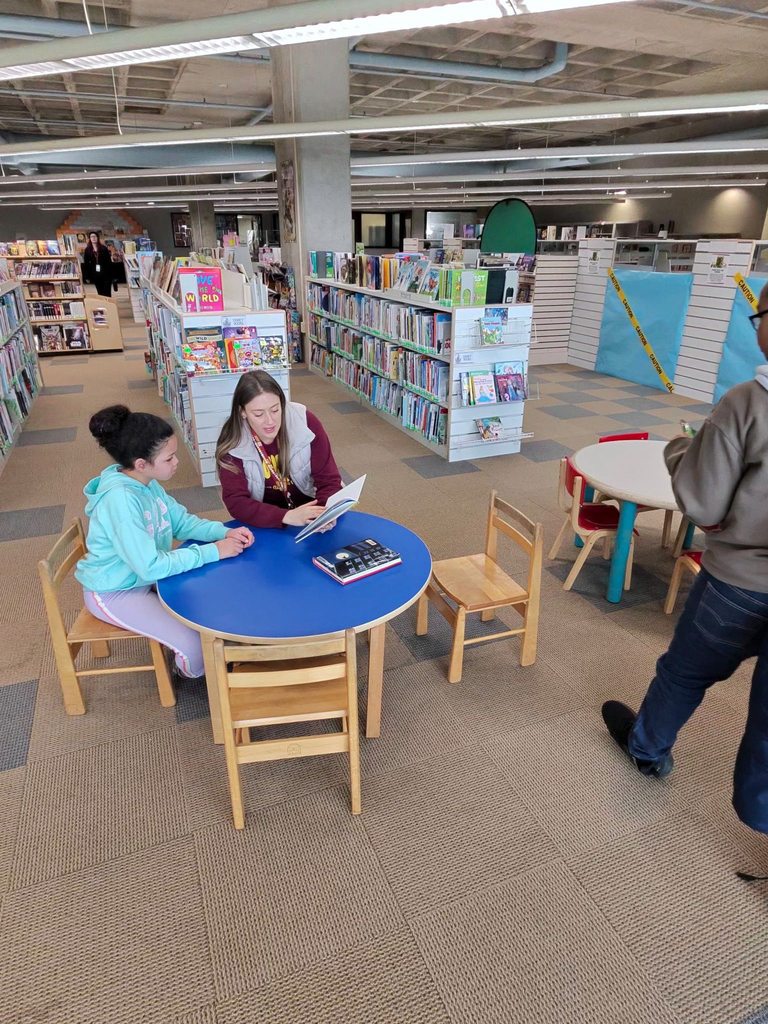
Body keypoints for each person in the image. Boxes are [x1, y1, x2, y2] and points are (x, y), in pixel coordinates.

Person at [602, 281, 768, 847]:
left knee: (688, 670)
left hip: (743, 582)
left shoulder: (748, 402)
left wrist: (681, 451)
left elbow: (702, 503)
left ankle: (647, 748)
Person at [76, 405, 253, 680]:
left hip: (144, 578)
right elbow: (150, 567)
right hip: (116, 590)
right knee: (196, 648)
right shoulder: (121, 501)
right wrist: (214, 552)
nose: (176, 463)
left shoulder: (146, 482)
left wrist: (221, 532)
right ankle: (189, 674)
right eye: (169, 458)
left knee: (216, 606)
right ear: (141, 464)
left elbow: (181, 523)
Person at [216, 369, 342, 529]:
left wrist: (323, 513)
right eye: (258, 414)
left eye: (275, 410)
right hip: (264, 519)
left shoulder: (305, 422)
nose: (270, 421)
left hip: (311, 511)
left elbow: (329, 479)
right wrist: (286, 516)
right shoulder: (232, 439)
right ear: (242, 412)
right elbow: (236, 502)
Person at [82, 231, 114, 298]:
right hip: (95, 274)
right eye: (91, 237)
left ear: (97, 238)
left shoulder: (103, 248)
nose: (93, 238)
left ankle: (109, 306)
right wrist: (86, 276)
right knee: (100, 292)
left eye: (95, 236)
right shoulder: (87, 250)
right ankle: (103, 306)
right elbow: (86, 264)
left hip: (106, 274)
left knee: (107, 292)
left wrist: (111, 275)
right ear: (90, 239)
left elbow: (108, 262)